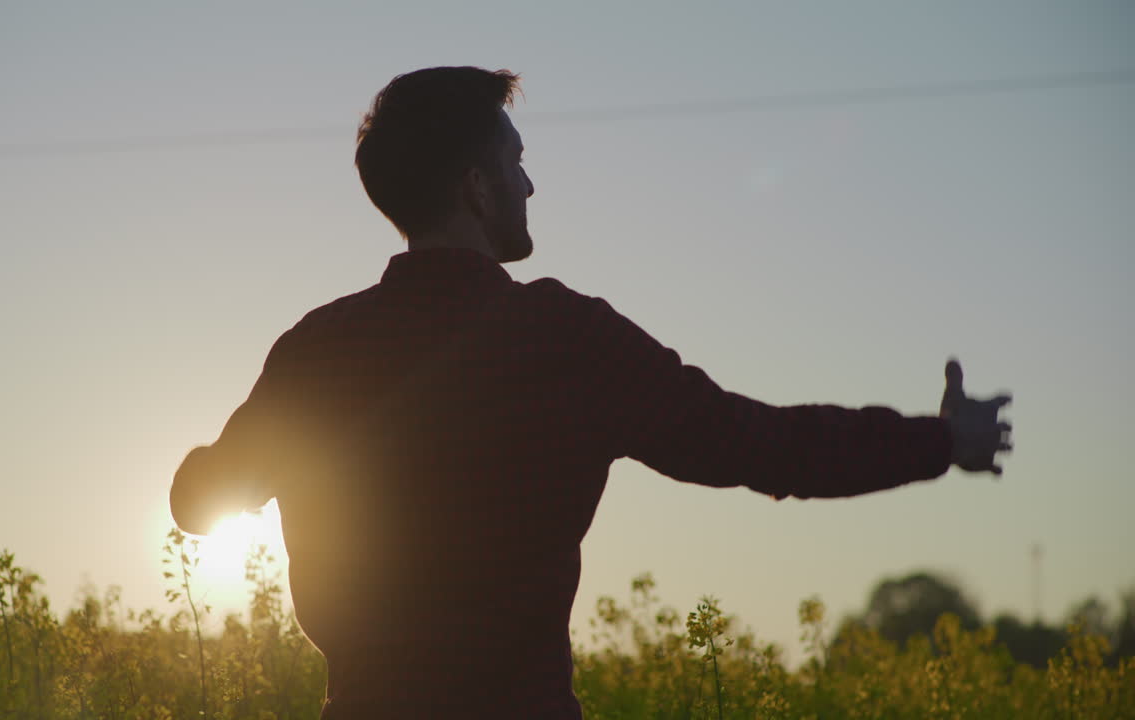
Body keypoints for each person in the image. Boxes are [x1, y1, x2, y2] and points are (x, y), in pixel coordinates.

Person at [169, 66, 1013, 719]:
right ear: (475, 185)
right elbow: (761, 443)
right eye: (517, 163)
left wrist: (232, 456)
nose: (530, 185)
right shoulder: (568, 338)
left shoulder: (316, 349)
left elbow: (201, 502)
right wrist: (939, 442)